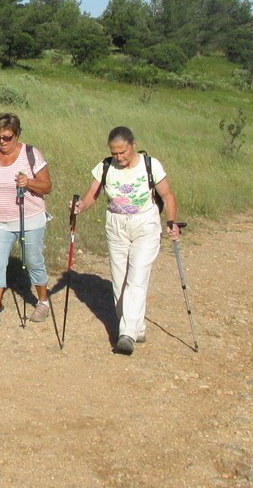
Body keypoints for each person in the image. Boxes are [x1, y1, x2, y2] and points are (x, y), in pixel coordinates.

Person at [73, 126, 179, 356]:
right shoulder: (105, 167)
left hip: (145, 224)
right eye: (114, 153)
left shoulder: (150, 165)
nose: (119, 157)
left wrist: (172, 222)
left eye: (123, 152)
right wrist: (80, 206)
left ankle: (126, 334)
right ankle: (136, 327)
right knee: (120, 279)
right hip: (116, 225)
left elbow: (167, 195)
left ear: (132, 145)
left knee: (137, 276)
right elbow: (92, 195)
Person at [0, 112, 54, 328]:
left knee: (33, 261)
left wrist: (29, 182)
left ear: (17, 134)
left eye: (7, 137)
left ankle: (43, 302)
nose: (2, 142)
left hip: (30, 219)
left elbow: (47, 186)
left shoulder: (31, 153)